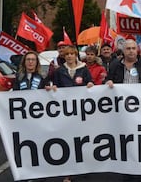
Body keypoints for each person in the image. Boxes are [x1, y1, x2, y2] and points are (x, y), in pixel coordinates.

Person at [48, 45, 94, 182]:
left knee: (82, 139)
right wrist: (53, 87)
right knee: (68, 140)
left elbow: (90, 81)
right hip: (66, 112)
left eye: (71, 54)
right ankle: (68, 172)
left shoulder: (84, 69)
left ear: (75, 55)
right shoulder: (59, 71)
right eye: (66, 54)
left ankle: (84, 167)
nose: (69, 56)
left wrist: (91, 84)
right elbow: (54, 84)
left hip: (81, 112)